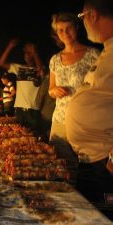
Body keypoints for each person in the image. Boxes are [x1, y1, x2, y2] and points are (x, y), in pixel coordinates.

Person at [66, 0, 113, 212]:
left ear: (91, 15)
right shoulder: (108, 49)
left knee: (101, 216)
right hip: (92, 162)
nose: (83, 23)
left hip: (104, 165)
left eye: (81, 18)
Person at [48, 12, 100, 184]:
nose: (66, 33)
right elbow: (50, 89)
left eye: (69, 28)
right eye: (61, 30)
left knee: (87, 169)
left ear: (77, 27)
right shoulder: (55, 60)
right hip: (60, 121)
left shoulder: (94, 54)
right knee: (61, 167)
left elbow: (103, 89)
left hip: (85, 122)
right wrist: (54, 91)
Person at [0, 39, 43, 134]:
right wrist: (10, 46)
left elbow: (41, 72)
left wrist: (34, 52)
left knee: (33, 137)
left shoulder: (41, 68)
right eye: (25, 52)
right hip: (19, 109)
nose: (26, 54)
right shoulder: (19, 68)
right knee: (18, 135)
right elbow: (1, 63)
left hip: (33, 109)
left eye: (29, 52)